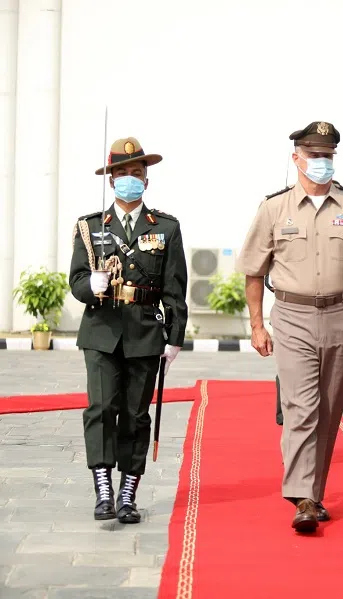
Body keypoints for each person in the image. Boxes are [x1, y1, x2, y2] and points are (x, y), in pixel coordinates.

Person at [236, 121, 343, 532]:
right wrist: (256, 324)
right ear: (296, 159)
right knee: (301, 407)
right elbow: (254, 272)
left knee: (328, 409)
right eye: (313, 155)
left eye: (327, 156)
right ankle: (302, 496)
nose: (320, 163)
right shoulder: (274, 208)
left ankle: (314, 493)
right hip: (292, 317)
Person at [69, 137, 188, 524]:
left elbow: (175, 289)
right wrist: (93, 285)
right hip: (101, 330)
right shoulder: (90, 227)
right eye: (122, 174)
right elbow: (76, 280)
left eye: (137, 174)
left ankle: (127, 493)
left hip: (144, 333)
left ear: (146, 182)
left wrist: (174, 340)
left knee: (137, 415)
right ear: (111, 181)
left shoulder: (166, 228)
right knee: (102, 409)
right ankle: (103, 489)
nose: (129, 180)